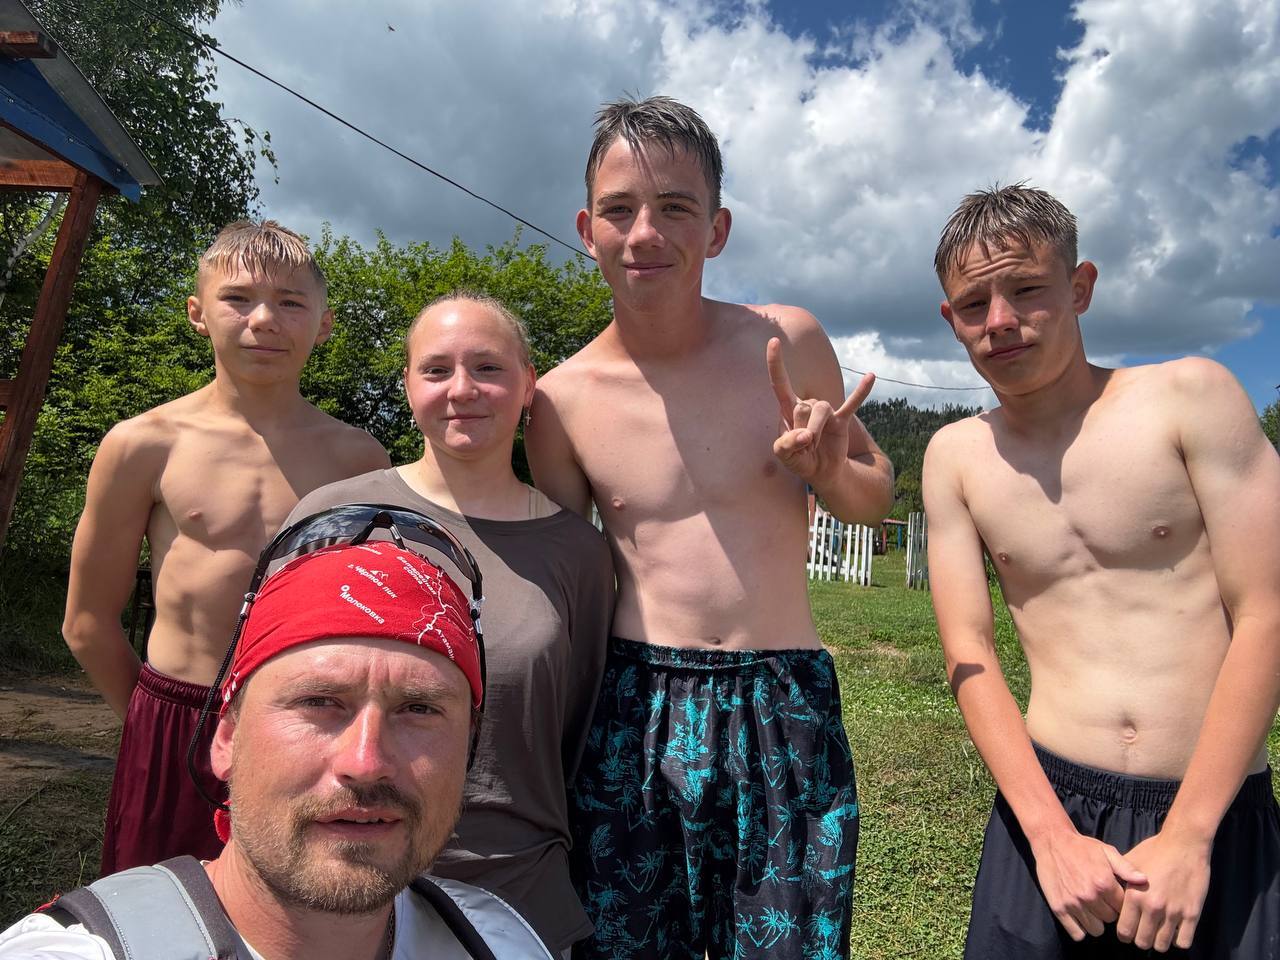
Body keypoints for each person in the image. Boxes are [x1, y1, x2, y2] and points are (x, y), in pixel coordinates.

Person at [526, 96, 894, 960]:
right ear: (586, 229)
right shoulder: (560, 401)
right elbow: (570, 582)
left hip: (781, 695)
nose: (645, 233)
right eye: (619, 209)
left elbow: (874, 498)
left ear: (717, 229)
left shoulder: (786, 341)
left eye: (675, 208)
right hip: (633, 705)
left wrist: (830, 472)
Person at [923, 183, 1280, 958]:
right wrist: (1049, 835)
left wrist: (1190, 834)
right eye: (975, 303)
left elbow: (1267, 613)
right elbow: (967, 648)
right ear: (951, 319)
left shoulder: (1190, 399)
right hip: (1048, 811)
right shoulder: (957, 457)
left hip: (1212, 809)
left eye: (1026, 289)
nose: (1000, 319)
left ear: (1079, 287)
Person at [1, 520, 555, 959]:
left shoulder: (501, 942)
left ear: (469, 751)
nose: (366, 762)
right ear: (226, 737)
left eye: (419, 709)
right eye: (318, 702)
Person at [281, 292, 614, 956]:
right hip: (341, 883)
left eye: (488, 368)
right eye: (437, 370)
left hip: (516, 894)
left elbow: (577, 731)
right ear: (408, 385)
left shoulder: (578, 552)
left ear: (528, 385)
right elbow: (276, 700)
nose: (462, 389)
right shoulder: (335, 519)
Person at [61, 220, 391, 875]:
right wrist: (155, 726)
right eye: (237, 298)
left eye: (290, 302)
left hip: (309, 721)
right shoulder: (143, 444)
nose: (264, 319)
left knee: (301, 906)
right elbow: (87, 621)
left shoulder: (359, 459)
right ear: (198, 313)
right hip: (175, 716)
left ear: (323, 324)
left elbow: (369, 613)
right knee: (164, 908)